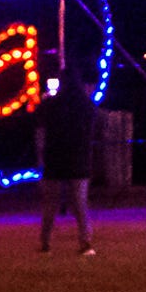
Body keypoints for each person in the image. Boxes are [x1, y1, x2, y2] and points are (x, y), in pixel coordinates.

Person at [37, 66, 99, 253]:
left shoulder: (49, 105)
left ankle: (45, 242)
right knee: (80, 203)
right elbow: (90, 133)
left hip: (54, 157)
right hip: (78, 158)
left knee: (50, 202)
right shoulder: (87, 105)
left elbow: (40, 133)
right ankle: (85, 242)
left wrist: (41, 157)